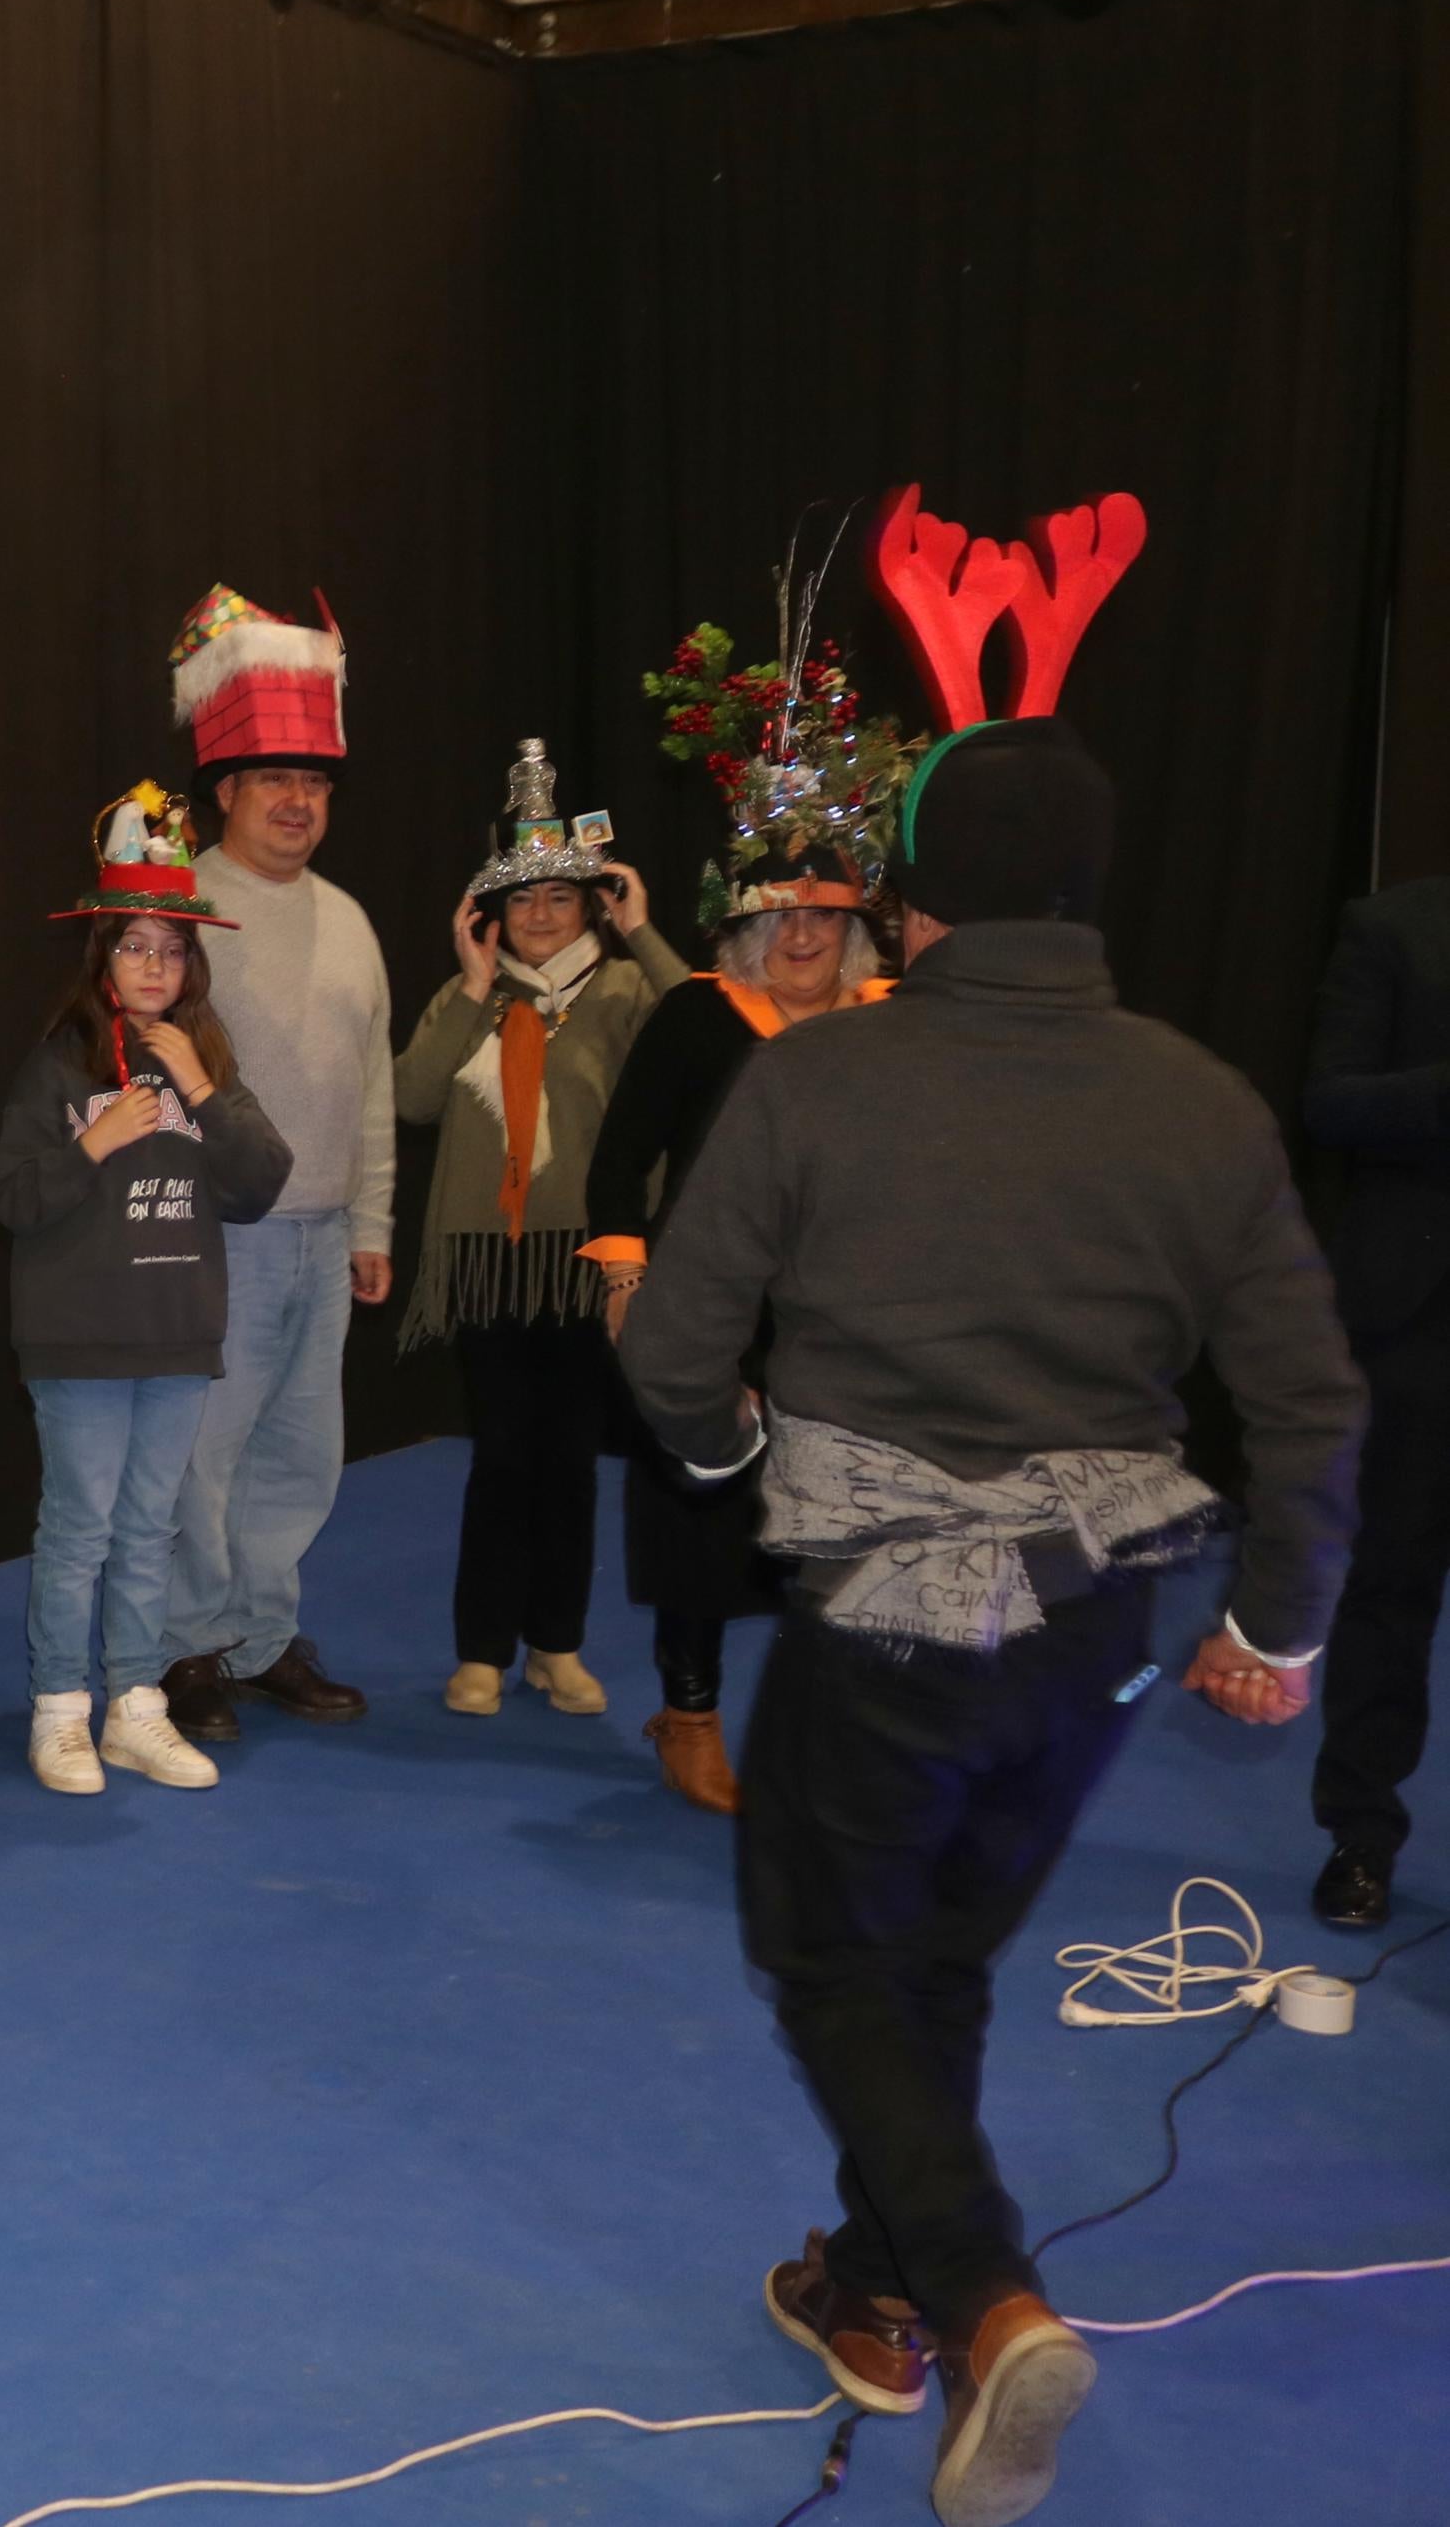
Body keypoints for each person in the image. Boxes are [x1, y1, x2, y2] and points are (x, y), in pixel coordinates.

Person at [622, 710, 1360, 2527]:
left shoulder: (815, 1079)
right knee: (933, 1954)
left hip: (886, 1602)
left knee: (831, 1957)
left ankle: (979, 2291)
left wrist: (728, 1454)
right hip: (1101, 1618)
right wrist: (1271, 1629)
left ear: (910, 900)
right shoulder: (1198, 1097)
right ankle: (867, 2294)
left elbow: (671, 1347)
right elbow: (1308, 1404)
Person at [581, 845, 893, 1809]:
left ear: (853, 928)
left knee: (850, 1525)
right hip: (713, 1303)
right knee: (700, 1518)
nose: (800, 936)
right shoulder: (698, 1013)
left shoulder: (894, 1021)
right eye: (780, 919)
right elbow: (619, 1156)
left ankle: (831, 1723)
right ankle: (689, 1713)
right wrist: (626, 1276)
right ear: (746, 927)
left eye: (823, 918)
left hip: (847, 1311)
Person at [0, 790, 291, 1796]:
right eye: (133, 948)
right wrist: (92, 1140)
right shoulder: (56, 1067)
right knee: (78, 1527)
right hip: (79, 1341)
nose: (153, 966)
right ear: (101, 961)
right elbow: (11, 1199)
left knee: (149, 1529)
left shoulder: (202, 1062)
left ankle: (133, 1703)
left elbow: (258, 1185)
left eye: (169, 950)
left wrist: (198, 1095)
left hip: (174, 1335)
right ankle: (58, 1709)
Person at [394, 740, 687, 1716]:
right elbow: (413, 1097)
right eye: (519, 901)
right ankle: (481, 1648)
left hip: (585, 1261)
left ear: (589, 902)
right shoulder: (469, 997)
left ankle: (554, 1644)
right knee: (500, 1458)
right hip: (488, 1264)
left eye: (558, 898)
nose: (538, 916)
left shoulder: (621, 990)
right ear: (491, 915)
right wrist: (471, 982)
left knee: (567, 1461)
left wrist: (641, 933)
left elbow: (700, 1034)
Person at [157, 588, 381, 1741]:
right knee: (202, 1454)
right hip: (217, 1235)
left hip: (321, 1233)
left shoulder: (347, 917)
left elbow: (374, 1082)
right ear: (226, 792)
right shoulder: (181, 906)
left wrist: (371, 1224)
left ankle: (256, 1633)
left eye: (316, 785)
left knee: (299, 1452)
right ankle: (185, 1649)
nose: (298, 803)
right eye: (275, 782)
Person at [1300, 873, 1450, 1929]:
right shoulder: (1391, 924)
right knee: (1391, 1584)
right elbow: (1329, 1099)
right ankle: (1360, 1835)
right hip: (1418, 1316)